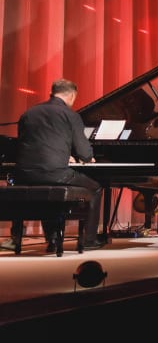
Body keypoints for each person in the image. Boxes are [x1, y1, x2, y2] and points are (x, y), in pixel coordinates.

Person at [12, 78, 104, 251]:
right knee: (96, 187)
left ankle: (53, 239)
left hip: (24, 174)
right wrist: (86, 157)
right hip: (55, 173)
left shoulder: (28, 113)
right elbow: (84, 153)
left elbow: (30, 144)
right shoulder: (71, 115)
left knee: (46, 192)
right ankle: (89, 240)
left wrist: (62, 154)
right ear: (71, 95)